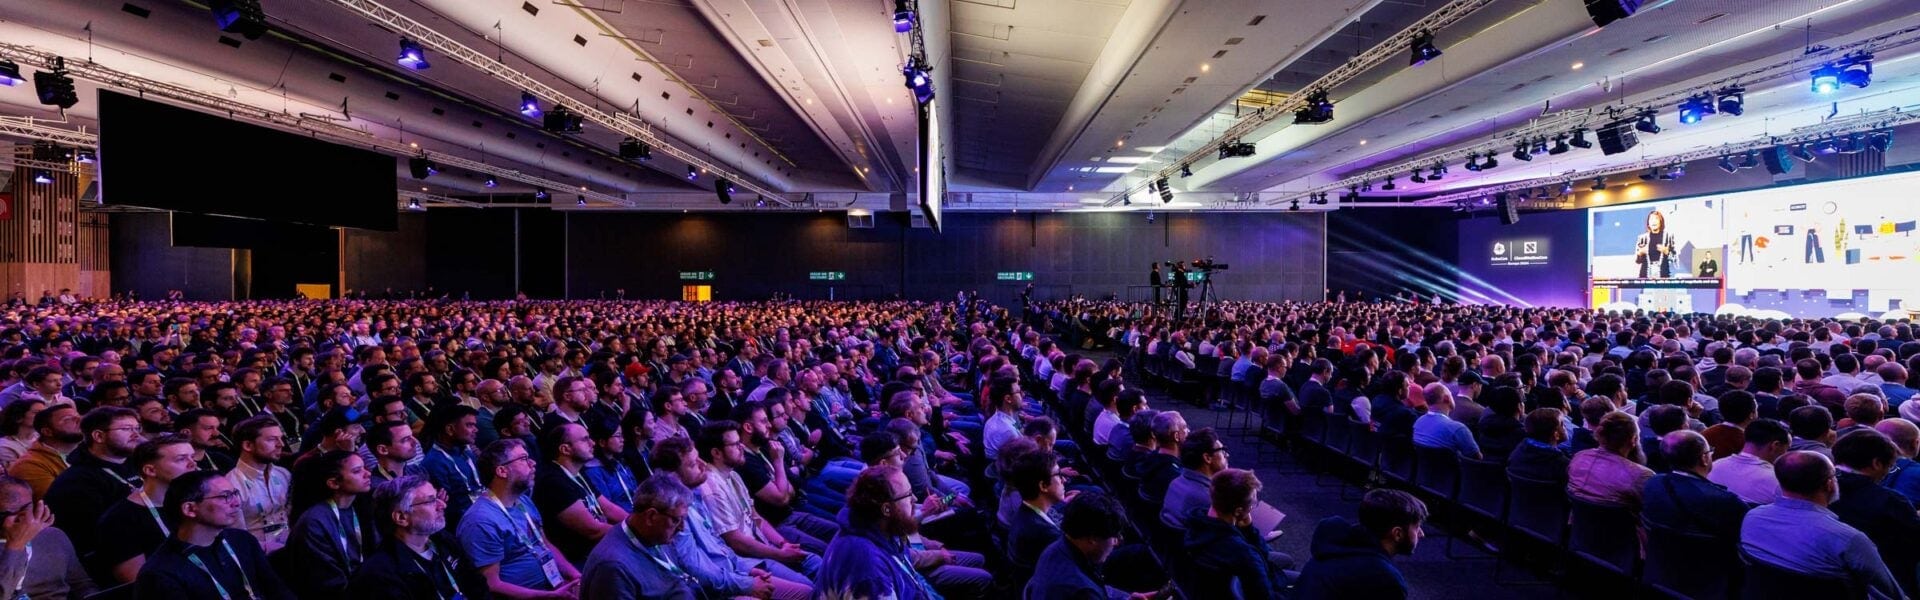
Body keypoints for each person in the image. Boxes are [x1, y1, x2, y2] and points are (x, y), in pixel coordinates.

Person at [649, 436, 805, 599]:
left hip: (736, 568)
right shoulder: (673, 516)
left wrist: (747, 570)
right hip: (721, 587)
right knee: (804, 592)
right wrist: (746, 582)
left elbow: (720, 547)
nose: (703, 465)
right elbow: (698, 570)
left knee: (806, 588)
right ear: (673, 477)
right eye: (694, 464)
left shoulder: (694, 496)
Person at [1740, 451, 1902, 600]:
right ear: (1829, 484)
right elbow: (1891, 593)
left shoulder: (1753, 517)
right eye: (1835, 475)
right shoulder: (1847, 539)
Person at [133, 469, 295, 599]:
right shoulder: (161, 574)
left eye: (234, 493)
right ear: (189, 509)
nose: (236, 502)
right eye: (225, 496)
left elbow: (277, 590)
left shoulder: (242, 540)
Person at [456, 438, 581, 598]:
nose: (533, 463)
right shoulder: (480, 520)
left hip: (553, 587)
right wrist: (548, 596)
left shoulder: (523, 500)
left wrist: (576, 577)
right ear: (502, 471)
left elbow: (544, 544)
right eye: (523, 459)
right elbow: (491, 584)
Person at [815, 465, 945, 600]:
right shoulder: (869, 570)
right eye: (908, 495)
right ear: (887, 509)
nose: (915, 499)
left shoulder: (882, 529)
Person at [346, 476, 487, 600]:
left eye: (437, 497)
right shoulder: (380, 575)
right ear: (401, 517)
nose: (442, 505)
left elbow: (478, 587)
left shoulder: (444, 541)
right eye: (431, 501)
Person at [44, 406, 143, 566]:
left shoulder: (138, 462)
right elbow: (100, 536)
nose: (136, 435)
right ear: (98, 436)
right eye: (126, 429)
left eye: (137, 428)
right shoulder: (77, 482)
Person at [1827, 429, 1920, 597]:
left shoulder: (1813, 487)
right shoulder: (1890, 501)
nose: (1886, 473)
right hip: (1883, 582)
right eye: (1889, 466)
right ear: (1877, 463)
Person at [94, 434, 196, 584]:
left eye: (192, 457)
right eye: (181, 459)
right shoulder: (120, 520)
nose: (192, 464)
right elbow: (140, 583)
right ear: (150, 470)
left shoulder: (196, 503)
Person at [1291, 489, 1427, 600]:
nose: (1421, 534)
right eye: (1417, 527)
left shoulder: (1336, 544)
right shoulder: (1385, 579)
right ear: (1397, 534)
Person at [282, 450, 377, 599]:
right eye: (357, 471)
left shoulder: (361, 507)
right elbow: (327, 582)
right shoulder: (314, 523)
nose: (368, 474)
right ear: (333, 483)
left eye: (364, 467)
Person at [1182, 469, 1291, 600]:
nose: (1253, 507)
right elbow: (1266, 595)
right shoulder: (1244, 554)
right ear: (1238, 511)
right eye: (1253, 504)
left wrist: (1248, 529)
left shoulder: (1194, 524)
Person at [1026, 492, 1153, 600]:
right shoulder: (1083, 591)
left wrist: (1124, 598)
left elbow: (1095, 587)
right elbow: (1087, 589)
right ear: (1092, 539)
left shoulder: (1054, 548)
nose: (1117, 542)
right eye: (1114, 536)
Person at [0, 474, 96, 600]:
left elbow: (82, 586)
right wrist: (15, 546)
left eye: (26, 508)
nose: (23, 518)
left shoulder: (53, 536)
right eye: (8, 513)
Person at [1641, 430, 1749, 541]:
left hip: (1659, 555)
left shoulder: (1652, 483)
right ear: (1704, 459)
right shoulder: (1727, 501)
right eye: (1710, 451)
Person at [225, 415, 293, 553]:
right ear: (248, 445)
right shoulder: (231, 484)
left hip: (291, 546)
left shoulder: (283, 474)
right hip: (258, 555)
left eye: (280, 438)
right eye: (272, 439)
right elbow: (236, 537)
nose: (281, 444)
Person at [1567, 410, 1654, 509]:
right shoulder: (1642, 475)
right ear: (1633, 440)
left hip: (1577, 524)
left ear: (1599, 434)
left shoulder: (1578, 458)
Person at [422, 404, 485, 529]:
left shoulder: (465, 451)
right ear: (450, 429)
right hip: (467, 524)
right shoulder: (434, 463)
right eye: (469, 425)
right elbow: (451, 508)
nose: (476, 430)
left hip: (483, 512)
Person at [7, 403, 81, 499]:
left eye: (78, 416)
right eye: (67, 419)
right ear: (47, 432)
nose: (80, 420)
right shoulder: (30, 466)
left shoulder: (87, 452)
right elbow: (63, 502)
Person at [1161, 427, 1228, 529]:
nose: (1227, 455)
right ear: (1207, 458)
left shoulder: (1174, 483)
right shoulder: (1211, 501)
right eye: (1222, 451)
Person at [1412, 384, 1480, 460]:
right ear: (1446, 398)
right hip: (1454, 470)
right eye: (1451, 395)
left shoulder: (1418, 423)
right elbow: (1476, 458)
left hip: (1423, 471)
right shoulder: (1458, 429)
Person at [1507, 408, 1571, 483]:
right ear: (1556, 434)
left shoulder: (1517, 453)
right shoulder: (1564, 464)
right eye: (1562, 424)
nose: (1566, 427)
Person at [365, 420, 424, 486]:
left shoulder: (418, 471)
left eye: (412, 436)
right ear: (383, 450)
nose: (415, 442)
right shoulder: (377, 487)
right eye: (406, 439)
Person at [1636, 209, 1676, 278]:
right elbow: (1637, 261)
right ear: (1648, 223)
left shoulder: (1668, 237)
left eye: (1656, 219)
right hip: (1645, 277)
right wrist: (1640, 254)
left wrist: (1666, 252)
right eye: (1651, 219)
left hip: (1664, 277)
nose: (1653, 221)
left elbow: (1675, 260)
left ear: (1661, 221)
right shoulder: (1642, 238)